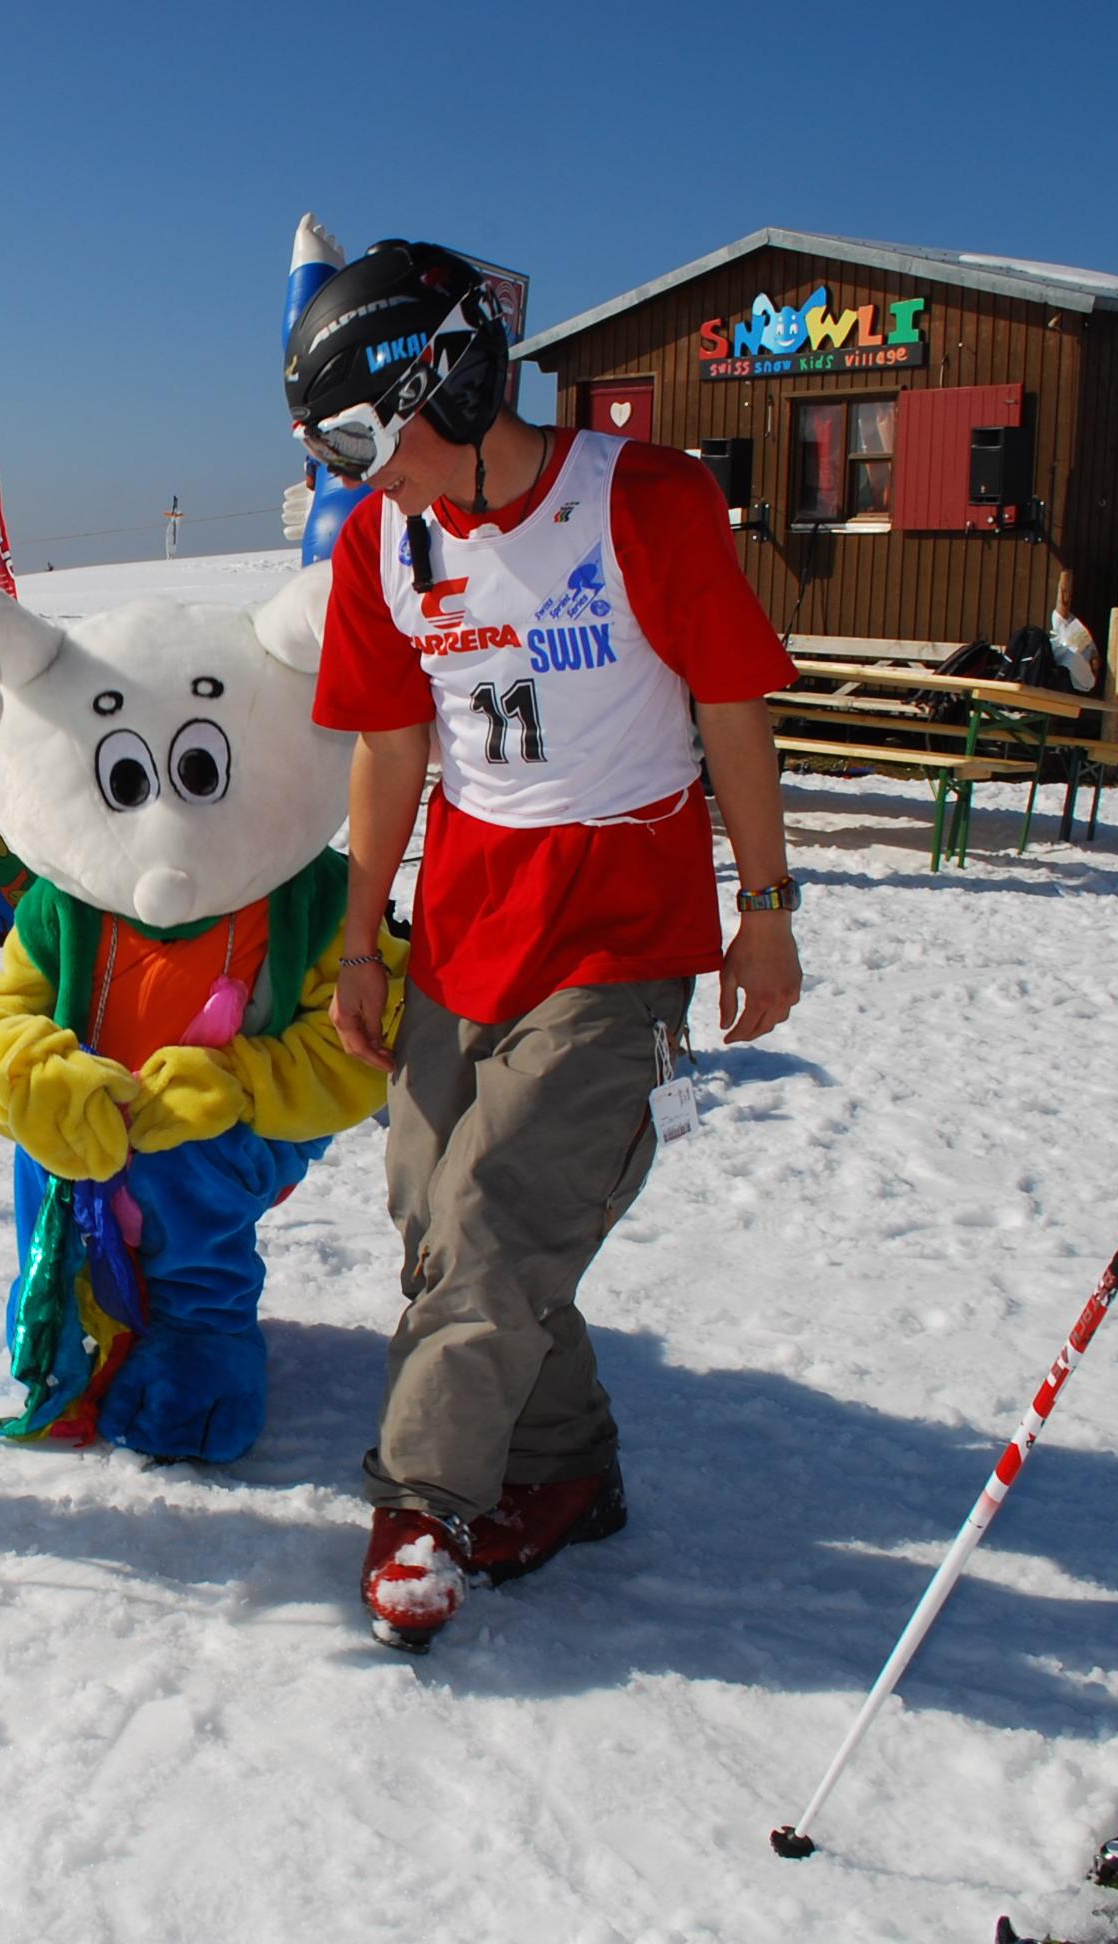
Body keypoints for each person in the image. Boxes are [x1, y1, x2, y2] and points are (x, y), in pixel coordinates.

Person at [285, 239, 802, 1651]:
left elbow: (733, 705)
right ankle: (563, 1467)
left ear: (450, 386)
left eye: (360, 444)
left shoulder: (644, 499)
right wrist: (360, 944)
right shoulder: (381, 545)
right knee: (432, 1213)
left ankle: (422, 1499)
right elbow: (392, 748)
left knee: (497, 1215)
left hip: (621, 921)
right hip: (468, 923)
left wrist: (765, 908)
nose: (355, 479)